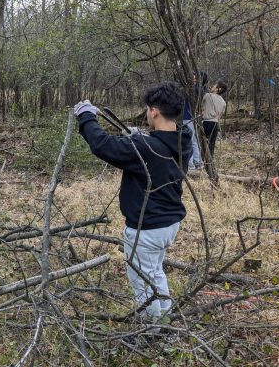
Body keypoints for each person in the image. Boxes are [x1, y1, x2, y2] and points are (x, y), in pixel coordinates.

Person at [75, 82, 192, 328]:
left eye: (147, 110)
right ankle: (165, 322)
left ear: (154, 111)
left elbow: (103, 145)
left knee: (142, 283)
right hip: (169, 223)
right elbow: (154, 150)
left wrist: (86, 116)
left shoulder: (145, 148)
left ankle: (152, 331)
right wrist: (138, 137)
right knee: (155, 272)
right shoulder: (182, 141)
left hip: (147, 227)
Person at [182, 71, 208, 170]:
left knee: (190, 140)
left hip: (189, 117)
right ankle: (196, 162)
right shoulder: (202, 89)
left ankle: (191, 164)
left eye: (195, 76)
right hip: (194, 118)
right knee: (195, 140)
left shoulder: (196, 90)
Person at [201, 80, 227, 160]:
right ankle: (210, 160)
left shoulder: (207, 96)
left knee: (203, 142)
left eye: (214, 85)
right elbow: (220, 116)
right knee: (211, 144)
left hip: (206, 123)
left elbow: (200, 106)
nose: (212, 86)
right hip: (215, 124)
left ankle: (202, 160)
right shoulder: (223, 102)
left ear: (217, 89)